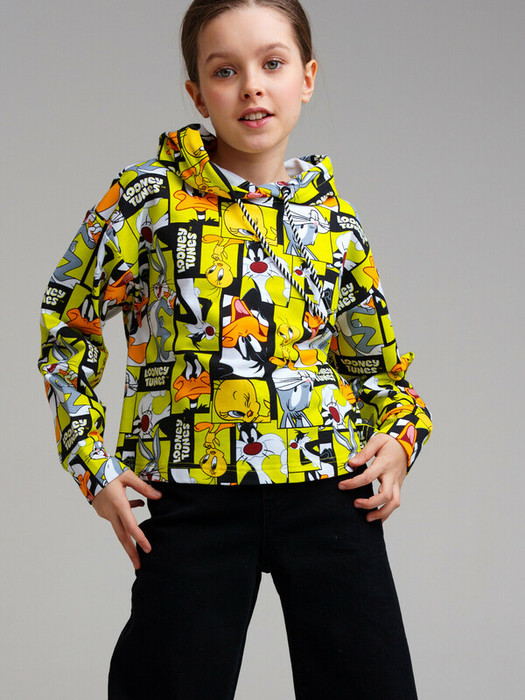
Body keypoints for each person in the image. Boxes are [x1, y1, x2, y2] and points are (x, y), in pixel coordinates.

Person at [38, 0, 432, 697]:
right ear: (197, 94)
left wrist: (401, 440)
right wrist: (91, 464)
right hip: (191, 494)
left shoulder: (334, 222)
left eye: (272, 63)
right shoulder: (146, 200)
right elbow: (67, 327)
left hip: (328, 488)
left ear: (306, 78)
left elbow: (377, 368)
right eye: (225, 71)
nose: (251, 86)